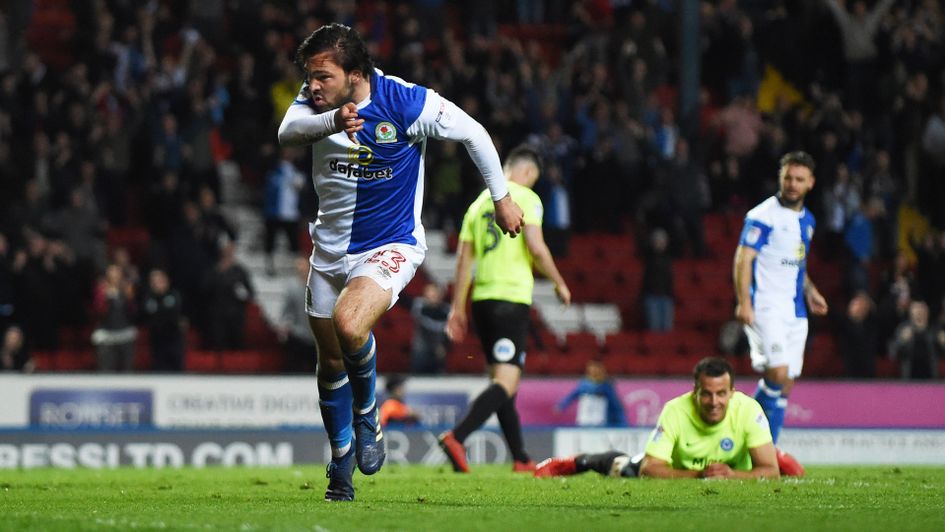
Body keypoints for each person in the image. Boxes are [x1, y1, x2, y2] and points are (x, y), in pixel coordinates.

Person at [277, 23, 524, 502]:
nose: (312, 85)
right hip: (328, 252)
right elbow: (288, 133)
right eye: (310, 76)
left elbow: (474, 133)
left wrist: (501, 197)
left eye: (323, 76)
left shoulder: (407, 102)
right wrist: (333, 121)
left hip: (389, 245)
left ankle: (368, 414)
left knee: (351, 325)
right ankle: (341, 463)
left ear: (356, 73)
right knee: (329, 364)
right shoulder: (316, 105)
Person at [439, 145, 571, 474]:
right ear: (526, 173)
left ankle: (521, 458)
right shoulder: (526, 197)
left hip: (482, 301)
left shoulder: (479, 204)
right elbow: (537, 248)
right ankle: (457, 436)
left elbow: (463, 260)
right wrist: (559, 282)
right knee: (507, 382)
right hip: (510, 300)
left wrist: (458, 308)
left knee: (502, 382)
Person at [534, 357, 792, 480]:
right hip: (681, 466)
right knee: (625, 468)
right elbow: (650, 468)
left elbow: (770, 473)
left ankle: (777, 454)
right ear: (695, 392)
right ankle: (579, 462)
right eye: (707, 394)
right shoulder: (675, 410)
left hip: (732, 467)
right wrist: (699, 475)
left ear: (732, 393)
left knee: (774, 464)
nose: (715, 402)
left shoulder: (749, 410)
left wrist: (729, 475)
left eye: (722, 394)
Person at [733, 151, 828, 444]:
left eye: (799, 179)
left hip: (795, 311)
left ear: (810, 183)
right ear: (780, 177)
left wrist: (811, 291)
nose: (792, 184)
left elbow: (797, 263)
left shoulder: (807, 220)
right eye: (788, 177)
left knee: (785, 384)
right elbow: (743, 258)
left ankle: (768, 450)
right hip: (765, 306)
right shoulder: (763, 216)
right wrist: (744, 302)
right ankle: (741, 433)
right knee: (777, 372)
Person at [555, 359, 628, 427]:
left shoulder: (606, 385)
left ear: (601, 369)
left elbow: (615, 403)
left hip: (600, 419)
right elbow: (573, 395)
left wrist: (621, 420)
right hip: (585, 417)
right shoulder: (583, 384)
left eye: (596, 367)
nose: (594, 370)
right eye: (592, 367)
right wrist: (562, 405)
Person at [141, 269, 186, 372]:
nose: (157, 284)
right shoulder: (148, 297)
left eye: (159, 281)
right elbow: (147, 314)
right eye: (153, 282)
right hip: (157, 339)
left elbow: (173, 313)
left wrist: (160, 312)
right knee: (159, 368)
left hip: (173, 338)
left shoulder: (174, 294)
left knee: (176, 367)